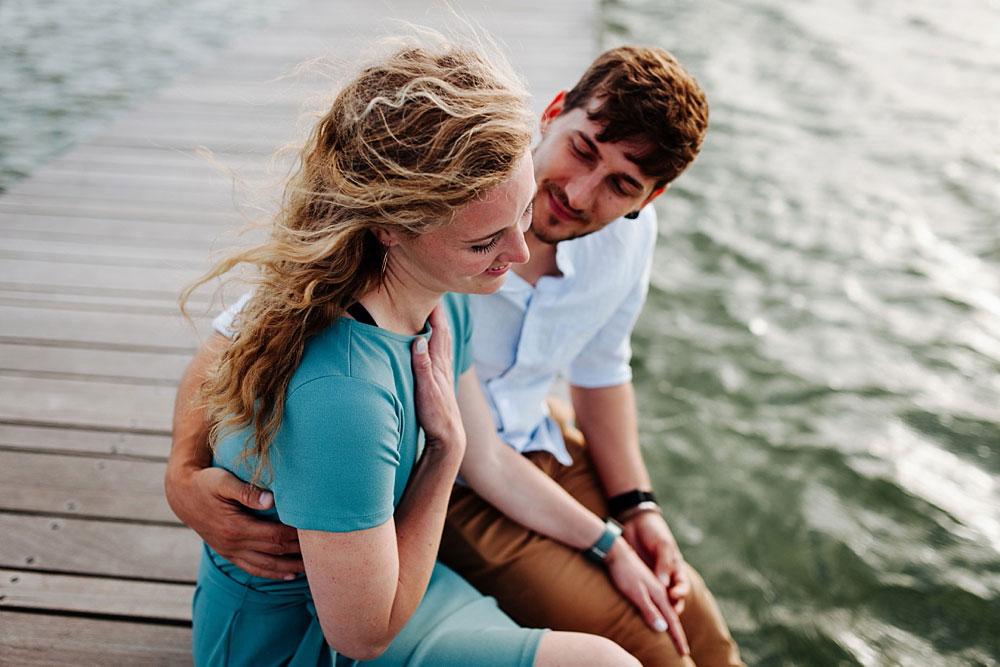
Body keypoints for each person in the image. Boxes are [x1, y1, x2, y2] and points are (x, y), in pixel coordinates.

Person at [168, 45, 743, 666]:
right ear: (552, 115)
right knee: (647, 647)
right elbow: (243, 335)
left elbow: (594, 378)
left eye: (621, 185)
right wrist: (182, 473)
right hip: (415, 507)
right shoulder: (453, 200)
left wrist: (626, 523)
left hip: (512, 450)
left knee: (700, 629)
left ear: (645, 201)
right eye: (581, 150)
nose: (574, 196)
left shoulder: (452, 292)